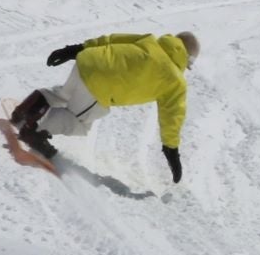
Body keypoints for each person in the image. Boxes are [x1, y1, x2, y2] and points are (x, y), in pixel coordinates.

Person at [11, 32, 199, 179]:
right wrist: (171, 150)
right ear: (188, 60)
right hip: (100, 86)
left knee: (64, 94)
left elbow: (113, 39)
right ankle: (33, 131)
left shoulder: (150, 40)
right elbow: (171, 117)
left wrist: (76, 49)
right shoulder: (175, 81)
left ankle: (27, 108)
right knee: (79, 123)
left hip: (88, 60)